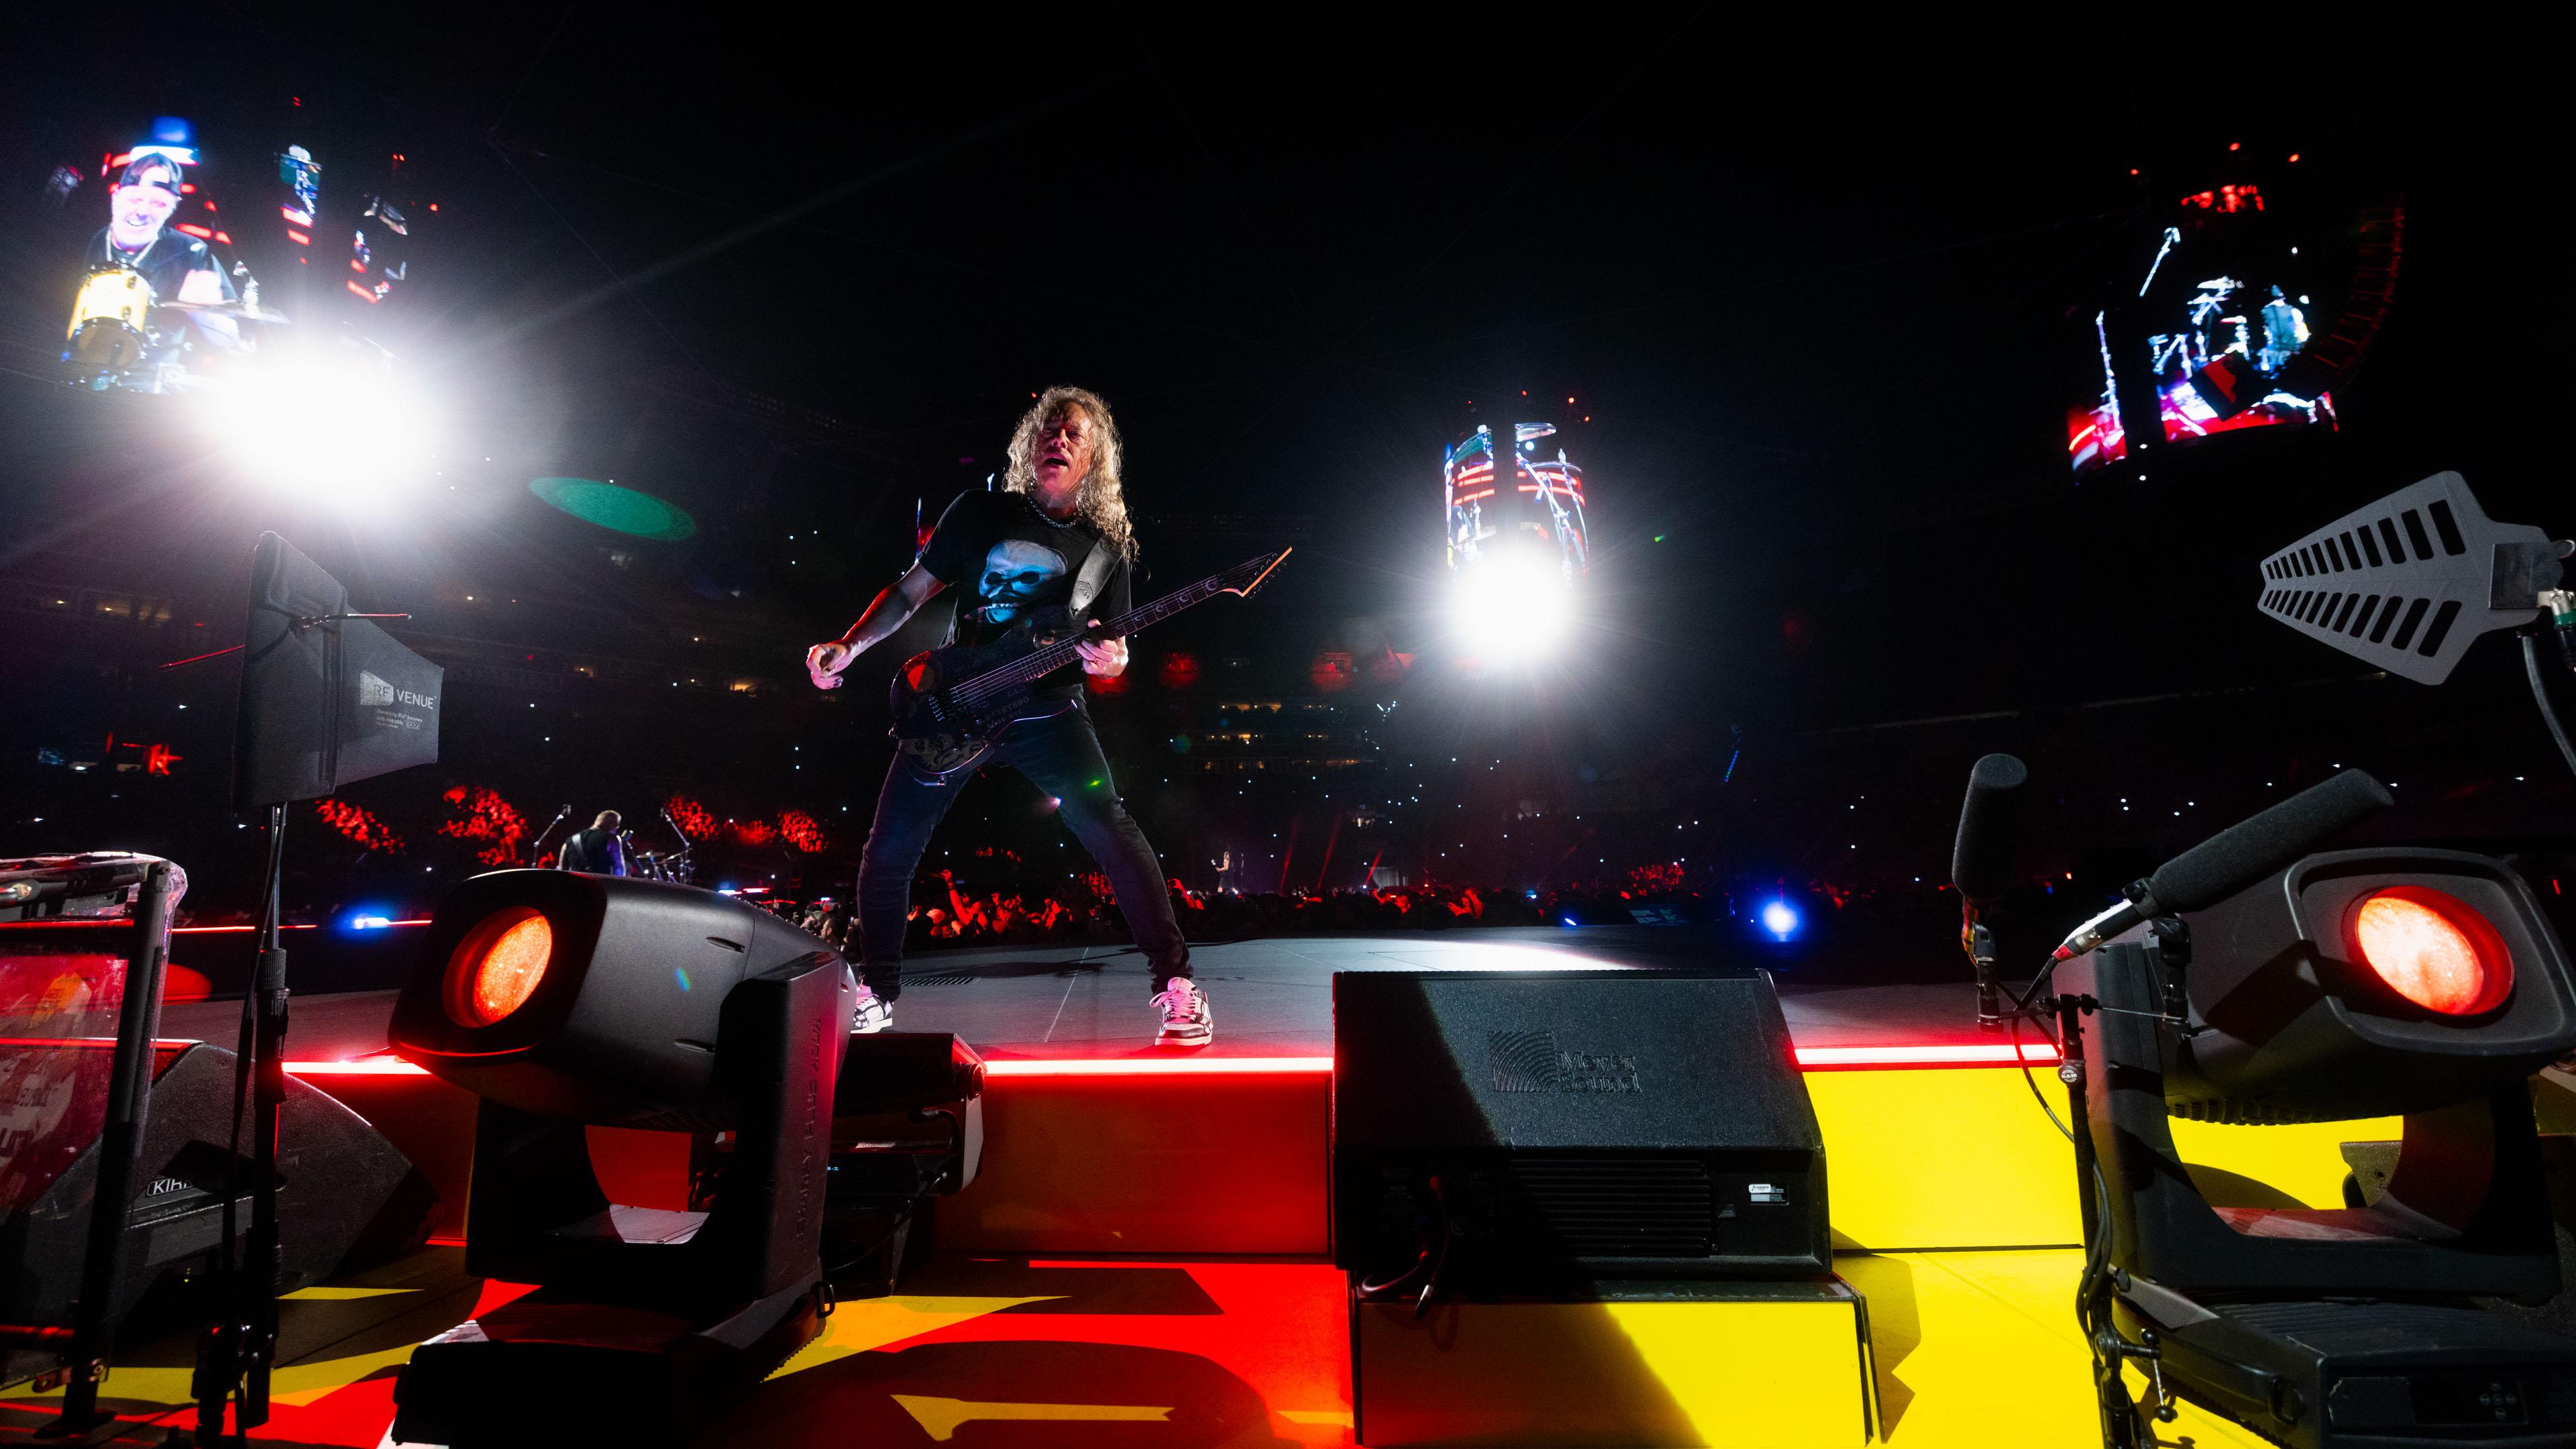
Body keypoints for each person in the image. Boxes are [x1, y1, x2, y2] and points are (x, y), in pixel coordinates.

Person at [809, 386, 1209, 1045]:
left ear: (1094, 457)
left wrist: (1110, 661)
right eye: (1049, 429)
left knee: (1107, 824)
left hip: (1047, 711)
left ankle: (1177, 986)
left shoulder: (1104, 548)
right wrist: (849, 646)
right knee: (889, 850)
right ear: (1029, 444)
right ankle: (876, 993)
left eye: (1075, 434)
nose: (1059, 439)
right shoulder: (979, 511)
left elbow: (1116, 652)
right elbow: (911, 591)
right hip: (955, 703)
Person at [84, 154, 238, 361]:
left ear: (173, 207)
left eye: (158, 203)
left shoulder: (191, 252)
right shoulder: (91, 241)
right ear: (116, 198)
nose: (142, 211)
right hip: (80, 365)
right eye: (135, 199)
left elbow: (231, 340)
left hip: (151, 377)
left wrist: (204, 314)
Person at [556, 811, 629, 876]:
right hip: (600, 885)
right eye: (617, 825)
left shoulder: (569, 841)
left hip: (576, 885)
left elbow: (562, 871)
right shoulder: (612, 838)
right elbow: (619, 868)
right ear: (613, 824)